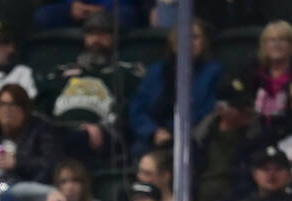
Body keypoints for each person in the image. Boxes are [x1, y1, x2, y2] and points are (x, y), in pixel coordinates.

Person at [36, 10, 144, 163]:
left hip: (102, 135)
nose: (96, 40)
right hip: (60, 130)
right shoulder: (61, 72)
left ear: (114, 37)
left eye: (103, 34)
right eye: (91, 34)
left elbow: (128, 113)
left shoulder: (126, 74)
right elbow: (42, 108)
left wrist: (103, 128)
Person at [129, 17, 222, 156]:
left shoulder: (214, 72)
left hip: (191, 139)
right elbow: (137, 109)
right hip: (154, 137)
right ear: (173, 43)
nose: (189, 42)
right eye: (183, 37)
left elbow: (208, 111)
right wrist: (154, 131)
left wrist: (173, 131)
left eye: (195, 37)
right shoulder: (156, 71)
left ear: (204, 42)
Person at [191, 74, 262, 201]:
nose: (248, 111)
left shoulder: (256, 138)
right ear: (221, 109)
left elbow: (247, 185)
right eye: (240, 108)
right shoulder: (200, 137)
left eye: (248, 105)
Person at [238, 20, 292, 129]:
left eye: (283, 40)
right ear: (264, 46)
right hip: (259, 132)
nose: (277, 44)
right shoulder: (253, 72)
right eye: (272, 40)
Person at [33, 0, 139, 29]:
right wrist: (71, 7)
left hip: (111, 13)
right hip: (72, 14)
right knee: (44, 15)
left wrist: (102, 10)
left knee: (125, 15)